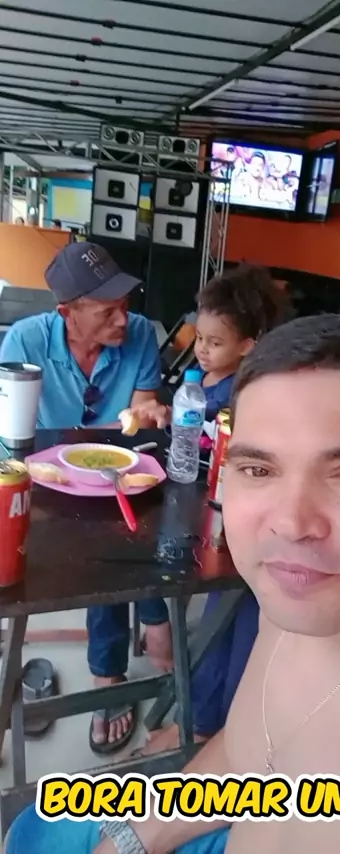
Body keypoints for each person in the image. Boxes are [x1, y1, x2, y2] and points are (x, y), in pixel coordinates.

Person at [8, 314, 340, 853]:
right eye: (259, 469)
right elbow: (250, 753)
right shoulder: (307, 592)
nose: (292, 525)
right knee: (33, 832)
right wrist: (131, 839)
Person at [0, 241, 173, 755]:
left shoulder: (139, 333)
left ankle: (111, 671)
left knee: (122, 544)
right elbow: (10, 430)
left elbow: (140, 409)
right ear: (66, 313)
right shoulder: (26, 341)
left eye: (125, 304)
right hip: (44, 475)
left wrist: (151, 413)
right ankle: (147, 626)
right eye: (107, 311)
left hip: (116, 476)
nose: (124, 319)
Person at [128, 264, 284, 756]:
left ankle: (219, 733)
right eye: (200, 337)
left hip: (233, 515)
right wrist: (164, 414)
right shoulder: (202, 379)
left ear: (249, 345)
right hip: (200, 502)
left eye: (215, 342)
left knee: (235, 615)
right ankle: (203, 721)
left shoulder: (246, 393)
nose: (201, 349)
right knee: (220, 609)